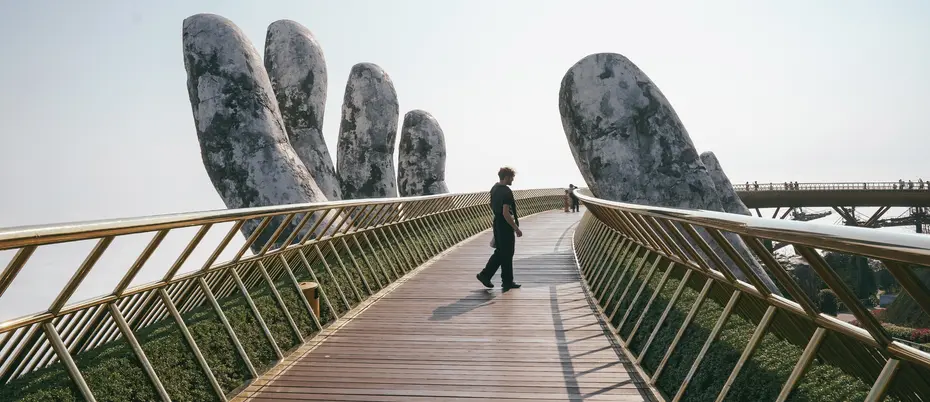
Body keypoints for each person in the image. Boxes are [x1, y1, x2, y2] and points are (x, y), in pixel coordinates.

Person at [477, 167, 522, 290]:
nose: (512, 180)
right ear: (507, 177)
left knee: (502, 252)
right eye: (512, 177)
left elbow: (492, 205)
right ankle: (496, 278)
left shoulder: (494, 189)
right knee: (507, 253)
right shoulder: (506, 191)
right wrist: (516, 228)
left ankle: (490, 276)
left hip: (497, 223)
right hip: (504, 225)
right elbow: (506, 213)